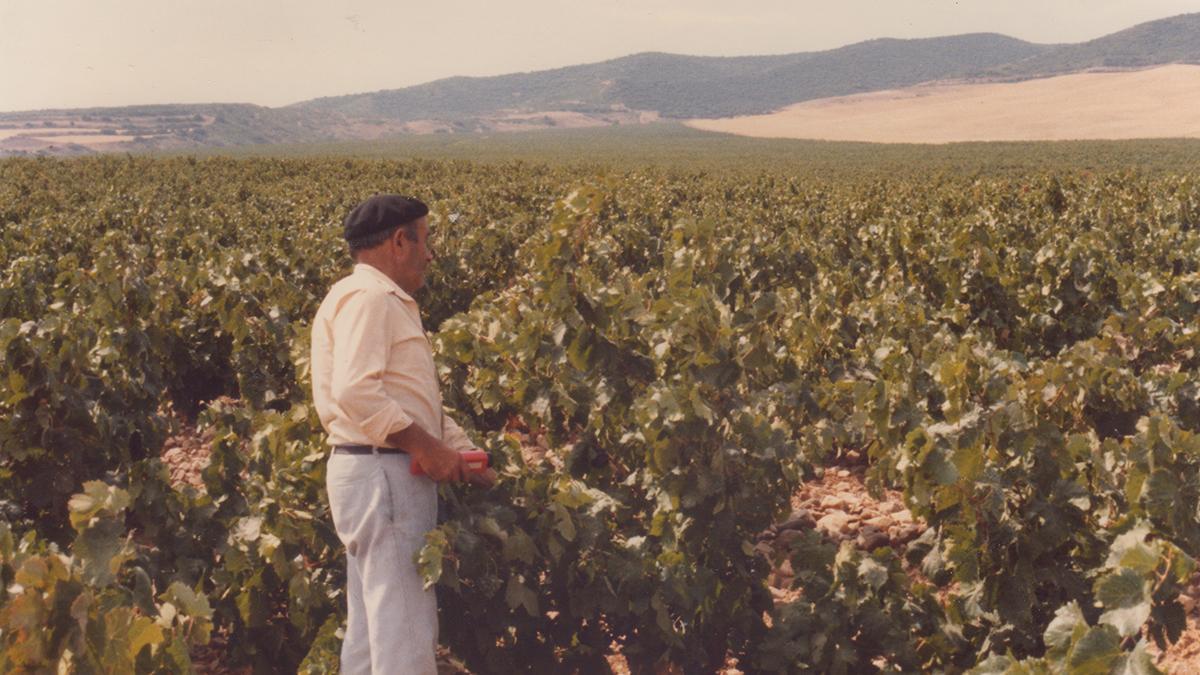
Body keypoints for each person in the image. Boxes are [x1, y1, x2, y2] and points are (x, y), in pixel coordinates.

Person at [310, 194, 496, 674]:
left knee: (373, 634)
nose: (430, 254)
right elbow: (357, 392)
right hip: (385, 475)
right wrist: (426, 447)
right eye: (425, 240)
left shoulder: (357, 296)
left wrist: (455, 447)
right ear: (399, 241)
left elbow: (408, 398)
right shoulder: (372, 298)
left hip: (371, 470)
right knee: (406, 634)